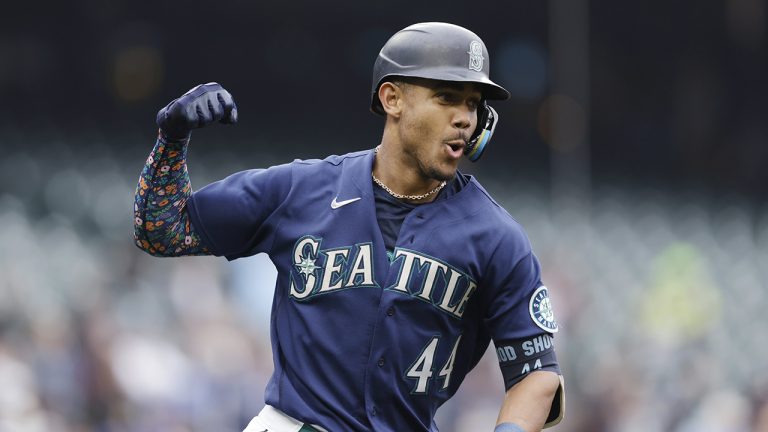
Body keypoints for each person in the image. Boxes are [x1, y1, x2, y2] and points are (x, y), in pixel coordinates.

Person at [134, 22, 564, 432]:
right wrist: (172, 139)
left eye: (472, 104)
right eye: (446, 97)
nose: (464, 118)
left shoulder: (497, 238)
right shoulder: (301, 190)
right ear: (392, 98)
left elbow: (537, 375)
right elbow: (160, 229)